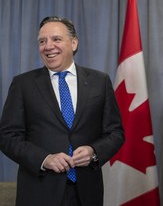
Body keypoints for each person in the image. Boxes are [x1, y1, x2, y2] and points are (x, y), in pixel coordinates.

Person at [0, 16, 125, 206]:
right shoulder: (22, 84)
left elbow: (115, 133)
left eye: (56, 39)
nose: (48, 46)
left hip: (86, 193)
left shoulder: (100, 82)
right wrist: (44, 159)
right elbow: (7, 137)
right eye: (42, 41)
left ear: (73, 43)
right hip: (39, 193)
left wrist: (94, 151)